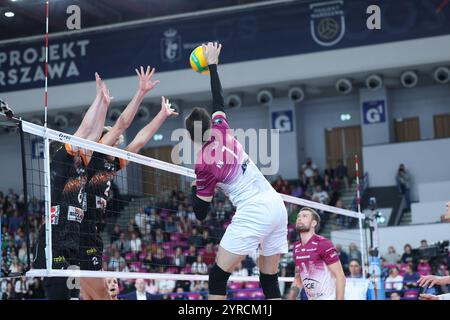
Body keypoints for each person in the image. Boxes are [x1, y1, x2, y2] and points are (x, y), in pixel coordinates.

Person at [186, 42, 288, 300]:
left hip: (254, 210)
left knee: (218, 277)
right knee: (269, 278)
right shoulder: (222, 128)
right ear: (211, 123)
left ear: (192, 137)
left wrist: (193, 189)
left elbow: (200, 213)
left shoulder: (202, 163)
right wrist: (212, 66)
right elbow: (218, 98)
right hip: (276, 205)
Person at [80, 67, 178, 300]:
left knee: (99, 293)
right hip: (77, 230)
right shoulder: (93, 157)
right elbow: (122, 123)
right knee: (90, 292)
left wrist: (161, 116)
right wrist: (140, 92)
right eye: (114, 143)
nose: (117, 147)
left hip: (93, 231)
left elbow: (139, 141)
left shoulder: (113, 165)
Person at [33, 72, 112, 300]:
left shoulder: (78, 164)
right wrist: (97, 99)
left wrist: (104, 105)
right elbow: (83, 133)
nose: (77, 147)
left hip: (71, 240)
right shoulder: (60, 160)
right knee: (60, 295)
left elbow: (92, 137)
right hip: (55, 242)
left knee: (74, 295)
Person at [292, 207, 346, 300]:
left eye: (304, 216)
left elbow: (340, 276)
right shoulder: (296, 247)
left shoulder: (323, 243)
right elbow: (298, 279)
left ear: (313, 223)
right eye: (298, 216)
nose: (299, 218)